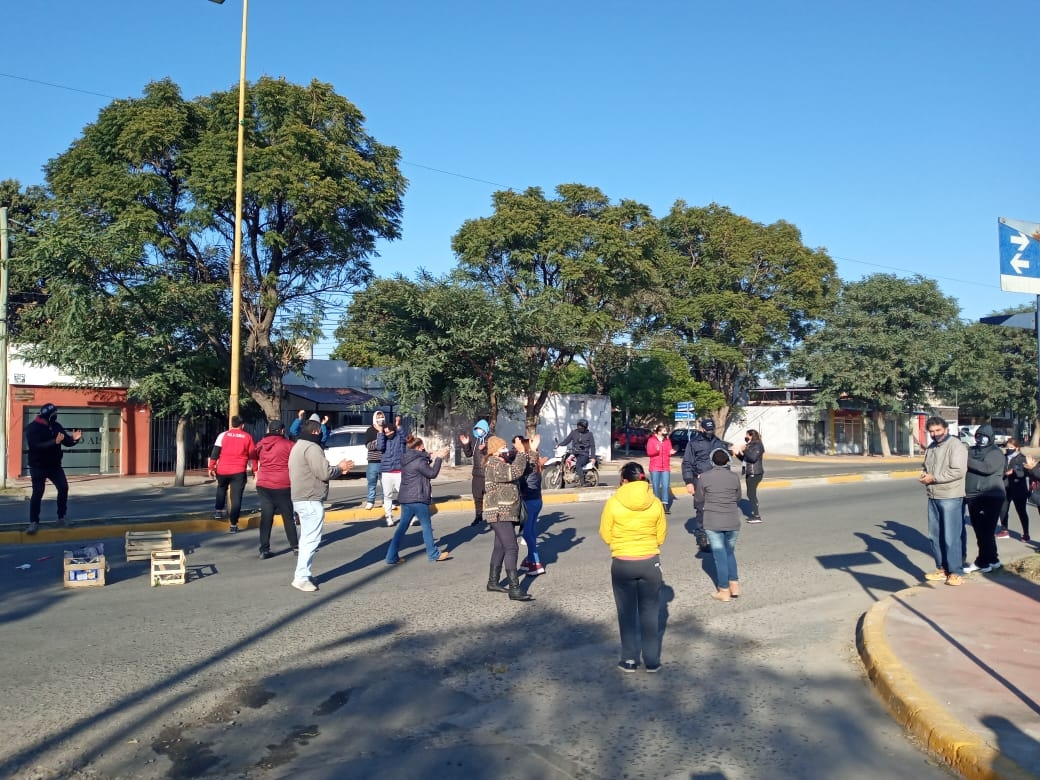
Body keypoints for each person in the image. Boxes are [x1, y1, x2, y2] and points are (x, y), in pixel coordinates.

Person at [599, 462, 667, 673]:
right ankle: (652, 661)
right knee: (650, 613)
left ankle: (629, 659)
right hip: (649, 562)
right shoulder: (655, 502)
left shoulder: (613, 502)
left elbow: (605, 533)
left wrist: (620, 545)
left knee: (626, 613)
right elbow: (661, 536)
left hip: (623, 563)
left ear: (624, 480)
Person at [287, 419, 353, 592]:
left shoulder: (298, 446)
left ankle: (304, 573)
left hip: (300, 497)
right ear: (316, 432)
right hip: (310, 498)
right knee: (311, 540)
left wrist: (337, 469)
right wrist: (340, 468)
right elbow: (324, 472)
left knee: (306, 539)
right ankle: (301, 577)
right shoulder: (312, 447)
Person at [483, 434, 535, 601]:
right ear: (494, 450)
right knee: (512, 548)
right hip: (500, 512)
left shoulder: (502, 462)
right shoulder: (493, 464)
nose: (506, 449)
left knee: (500, 547)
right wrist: (521, 452)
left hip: (505, 512)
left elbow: (526, 469)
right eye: (502, 447)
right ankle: (514, 589)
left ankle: (493, 582)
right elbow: (514, 472)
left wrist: (531, 451)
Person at [385, 436, 452, 564]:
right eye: (422, 448)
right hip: (418, 498)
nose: (424, 449)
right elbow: (432, 473)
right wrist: (439, 458)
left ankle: (391, 556)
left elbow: (421, 460)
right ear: (417, 448)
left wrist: (431, 455)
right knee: (426, 526)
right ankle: (433, 554)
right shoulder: (419, 461)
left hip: (406, 498)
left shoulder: (406, 458)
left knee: (402, 528)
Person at [919, 416, 968, 586]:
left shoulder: (956, 445)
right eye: (932, 431)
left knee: (951, 536)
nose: (935, 434)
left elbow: (958, 471)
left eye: (938, 430)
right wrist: (924, 474)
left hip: (950, 496)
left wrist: (934, 478)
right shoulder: (932, 447)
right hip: (933, 495)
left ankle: (955, 572)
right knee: (935, 535)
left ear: (946, 429)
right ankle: (942, 569)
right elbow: (926, 466)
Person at [25, 403, 83, 534]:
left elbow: (66, 441)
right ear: (47, 416)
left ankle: (61, 517)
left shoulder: (56, 426)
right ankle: (34, 522)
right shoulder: (32, 428)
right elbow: (36, 446)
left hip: (54, 466)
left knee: (63, 488)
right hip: (38, 466)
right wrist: (54, 442)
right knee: (38, 492)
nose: (56, 416)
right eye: (53, 414)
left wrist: (74, 439)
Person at [681, 417, 732, 551]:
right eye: (707, 429)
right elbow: (687, 463)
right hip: (700, 480)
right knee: (702, 509)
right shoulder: (693, 443)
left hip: (717, 481)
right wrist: (689, 482)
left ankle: (716, 535)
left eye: (711, 429)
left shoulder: (719, 443)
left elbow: (726, 462)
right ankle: (702, 537)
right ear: (702, 429)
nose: (709, 432)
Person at [699, 448, 742, 602]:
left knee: (720, 556)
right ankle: (734, 586)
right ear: (727, 461)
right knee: (729, 552)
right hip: (732, 520)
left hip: (713, 521)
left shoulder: (704, 477)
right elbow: (738, 497)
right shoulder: (734, 477)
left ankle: (724, 590)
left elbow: (699, 498)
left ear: (712, 461)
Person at [962, 425, 1004, 574]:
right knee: (982, 531)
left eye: (984, 436)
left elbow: (987, 468)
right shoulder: (972, 451)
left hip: (989, 496)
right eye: (978, 436)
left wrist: (965, 460)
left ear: (990, 438)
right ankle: (993, 559)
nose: (980, 439)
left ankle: (982, 562)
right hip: (972, 496)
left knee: (985, 531)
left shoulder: (995, 453)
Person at [254, 419, 299, 559]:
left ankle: (264, 549)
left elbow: (253, 455)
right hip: (282, 485)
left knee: (266, 518)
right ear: (282, 430)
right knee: (288, 517)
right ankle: (295, 547)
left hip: (263, 485)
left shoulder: (261, 444)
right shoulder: (288, 444)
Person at [208, 415, 258, 534]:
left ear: (231, 424)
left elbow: (215, 452)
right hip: (238, 471)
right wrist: (255, 470)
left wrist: (211, 467)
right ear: (242, 425)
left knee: (221, 488)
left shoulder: (223, 435)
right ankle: (233, 525)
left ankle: (218, 511)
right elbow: (253, 455)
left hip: (222, 470)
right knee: (236, 498)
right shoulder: (247, 437)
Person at [515, 436, 546, 576]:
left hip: (529, 501)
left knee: (527, 533)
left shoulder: (529, 465)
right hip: (537, 501)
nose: (517, 448)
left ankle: (535, 562)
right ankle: (529, 559)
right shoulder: (536, 464)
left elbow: (520, 478)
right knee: (531, 531)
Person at [998, 438, 1030, 542]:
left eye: (1011, 447)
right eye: (1007, 447)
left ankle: (1026, 533)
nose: (1008, 449)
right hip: (1005, 487)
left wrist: (1014, 471)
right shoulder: (1003, 457)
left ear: (1017, 448)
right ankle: (1004, 530)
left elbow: (1024, 473)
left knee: (1021, 511)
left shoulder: (1022, 458)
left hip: (1019, 489)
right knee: (1003, 510)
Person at [459, 418, 490, 526]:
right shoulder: (475, 439)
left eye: (480, 429)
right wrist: (466, 444)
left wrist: (485, 449)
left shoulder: (490, 439)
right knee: (477, 496)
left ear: (485, 429)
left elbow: (493, 453)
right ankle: (478, 516)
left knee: (491, 497)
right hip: (477, 474)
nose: (479, 431)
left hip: (489, 474)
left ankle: (493, 518)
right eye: (477, 429)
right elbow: (468, 454)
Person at [378, 415, 406, 526]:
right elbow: (380, 447)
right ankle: (388, 516)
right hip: (386, 472)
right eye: (386, 432)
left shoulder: (399, 438)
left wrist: (398, 426)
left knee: (403, 495)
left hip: (399, 471)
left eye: (389, 432)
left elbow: (404, 438)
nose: (388, 434)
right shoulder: (383, 438)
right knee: (387, 495)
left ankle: (407, 516)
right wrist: (380, 433)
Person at [734, 429, 765, 523]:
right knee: (750, 494)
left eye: (747, 435)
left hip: (755, 473)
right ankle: (756, 514)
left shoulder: (758, 445)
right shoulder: (750, 445)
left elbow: (753, 458)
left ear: (751, 436)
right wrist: (737, 454)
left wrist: (745, 450)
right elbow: (745, 458)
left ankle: (756, 516)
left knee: (751, 494)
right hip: (749, 472)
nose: (745, 437)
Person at [558, 418, 595, 484]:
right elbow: (566, 441)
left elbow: (592, 446)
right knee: (565, 462)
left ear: (585, 427)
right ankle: (562, 482)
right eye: (578, 426)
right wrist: (559, 445)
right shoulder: (574, 432)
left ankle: (582, 482)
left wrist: (593, 457)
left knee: (578, 464)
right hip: (575, 453)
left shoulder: (589, 434)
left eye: (581, 426)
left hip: (584, 454)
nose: (579, 427)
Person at [363, 410, 386, 510]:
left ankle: (386, 501)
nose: (381, 419)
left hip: (384, 461)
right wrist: (379, 440)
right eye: (378, 417)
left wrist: (382, 436)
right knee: (372, 482)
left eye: (382, 417)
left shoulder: (386, 429)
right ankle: (370, 501)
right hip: (373, 461)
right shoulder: (370, 430)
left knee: (385, 484)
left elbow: (386, 445)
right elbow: (369, 446)